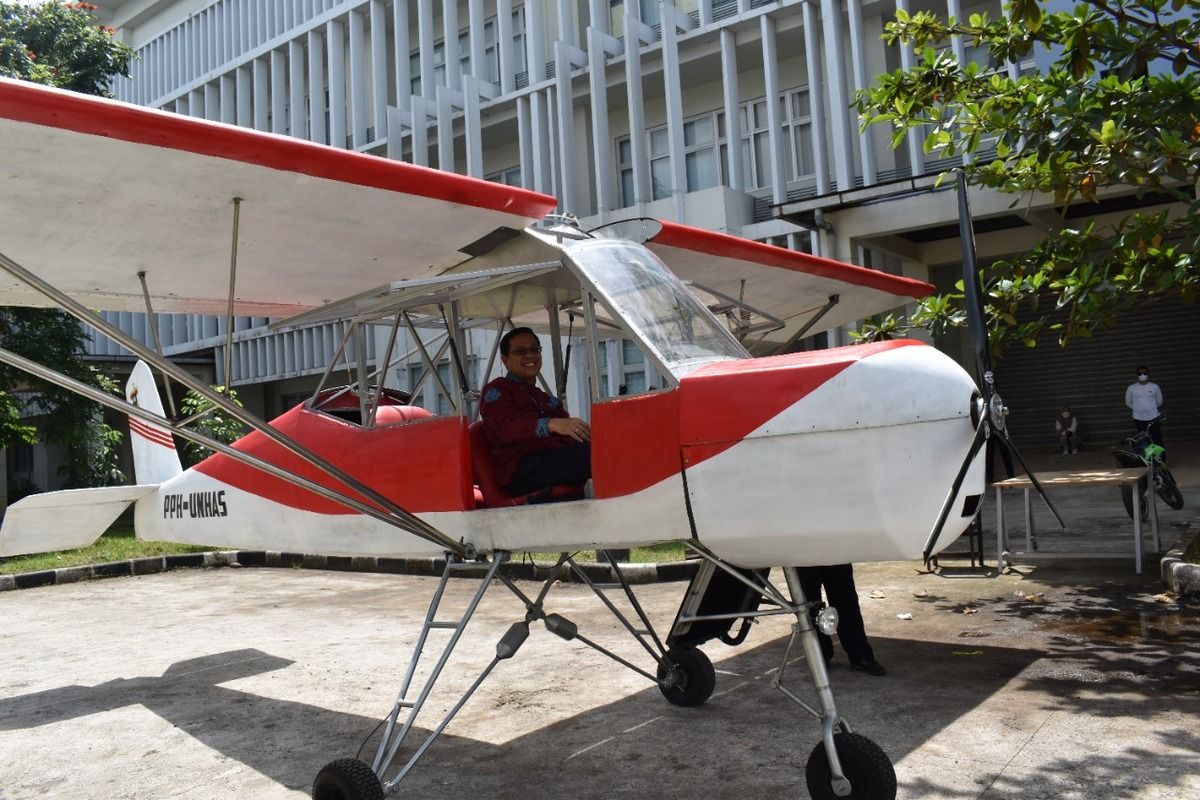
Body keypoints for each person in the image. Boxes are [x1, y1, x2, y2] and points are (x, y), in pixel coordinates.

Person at [480, 327, 591, 496]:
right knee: (587, 456)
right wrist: (550, 424)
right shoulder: (497, 390)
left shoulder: (545, 398)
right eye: (520, 351)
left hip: (552, 460)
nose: (530, 355)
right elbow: (502, 429)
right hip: (521, 469)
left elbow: (568, 433)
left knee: (604, 447)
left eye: (534, 350)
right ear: (505, 360)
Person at [796, 564, 886, 676]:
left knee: (846, 599)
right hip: (803, 555)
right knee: (810, 604)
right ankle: (820, 654)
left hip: (835, 551)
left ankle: (860, 656)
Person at [1125, 365, 1164, 446]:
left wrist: (1150, 408)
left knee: (1157, 439)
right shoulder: (1131, 388)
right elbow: (1128, 402)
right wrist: (1137, 408)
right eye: (1140, 373)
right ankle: (1145, 458)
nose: (1142, 375)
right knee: (1143, 440)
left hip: (1153, 417)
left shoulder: (1154, 387)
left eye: (1144, 373)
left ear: (1148, 374)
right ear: (1137, 375)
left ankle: (1160, 458)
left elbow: (1159, 401)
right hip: (1139, 418)